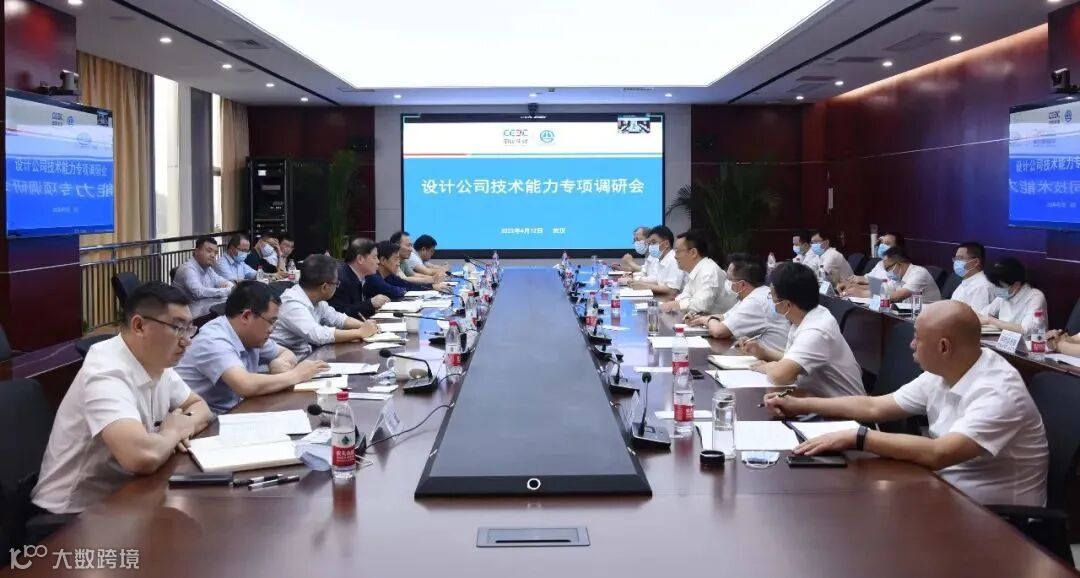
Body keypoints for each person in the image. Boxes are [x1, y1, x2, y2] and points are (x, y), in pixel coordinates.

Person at [765, 301, 1048, 507]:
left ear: (944, 347)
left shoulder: (998, 391)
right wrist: (801, 405)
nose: (911, 345)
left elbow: (939, 453)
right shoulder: (946, 369)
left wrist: (859, 437)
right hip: (945, 491)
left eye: (917, 338)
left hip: (998, 520)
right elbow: (875, 408)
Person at [31, 283, 213, 514]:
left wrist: (179, 425)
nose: (187, 341)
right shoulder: (105, 371)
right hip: (72, 514)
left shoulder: (156, 360)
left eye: (189, 329)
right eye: (178, 328)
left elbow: (200, 406)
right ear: (139, 326)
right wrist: (174, 430)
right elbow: (142, 457)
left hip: (128, 495)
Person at [175, 281, 329, 414]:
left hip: (234, 412)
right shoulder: (214, 339)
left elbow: (285, 352)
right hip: (202, 424)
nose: (272, 329)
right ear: (246, 316)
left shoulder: (251, 336)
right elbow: (245, 385)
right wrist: (296, 374)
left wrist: (278, 363)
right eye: (271, 321)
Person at [742, 262, 865, 397]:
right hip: (821, 401)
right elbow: (795, 359)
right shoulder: (808, 315)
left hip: (845, 408)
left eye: (772, 297)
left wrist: (768, 367)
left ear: (787, 304)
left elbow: (779, 376)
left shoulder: (816, 331)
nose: (772, 301)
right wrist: (763, 352)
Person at [270, 254, 379, 356]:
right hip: (287, 361)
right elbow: (318, 335)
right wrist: (359, 332)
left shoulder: (317, 300)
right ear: (324, 287)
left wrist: (365, 326)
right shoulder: (292, 303)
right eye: (336, 283)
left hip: (307, 356)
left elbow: (337, 318)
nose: (337, 286)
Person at [687, 255, 789, 351]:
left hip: (773, 359)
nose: (726, 283)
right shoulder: (755, 294)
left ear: (742, 284)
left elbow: (719, 331)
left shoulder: (755, 301)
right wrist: (698, 319)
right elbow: (725, 317)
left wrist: (708, 320)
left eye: (729, 279)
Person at [661, 229, 736, 315]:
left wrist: (675, 304)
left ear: (693, 252)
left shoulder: (709, 271)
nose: (675, 257)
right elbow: (684, 296)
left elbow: (702, 305)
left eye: (677, 252)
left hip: (722, 321)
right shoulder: (696, 270)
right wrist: (673, 304)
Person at [842, 246, 941, 303]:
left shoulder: (919, 273)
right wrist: (855, 287)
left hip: (930, 319)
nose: (887, 272)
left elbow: (897, 296)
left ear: (899, 264)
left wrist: (861, 293)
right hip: (909, 316)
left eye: (888, 268)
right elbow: (883, 289)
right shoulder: (898, 276)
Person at [979, 257, 1048, 334]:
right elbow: (982, 314)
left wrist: (991, 320)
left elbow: (1026, 329)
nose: (996, 289)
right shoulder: (1004, 295)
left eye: (1000, 286)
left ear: (1016, 284)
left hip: (1030, 340)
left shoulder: (1035, 297)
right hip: (1004, 339)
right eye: (995, 286)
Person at [328, 237, 391, 319]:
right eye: (375, 257)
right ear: (360, 259)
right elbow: (339, 314)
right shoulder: (341, 279)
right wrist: (370, 303)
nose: (378, 261)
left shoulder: (364, 277)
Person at [364, 240, 448, 301]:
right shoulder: (373, 277)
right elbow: (395, 291)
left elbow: (407, 285)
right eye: (396, 259)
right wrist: (404, 289)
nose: (398, 263)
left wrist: (432, 287)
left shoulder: (389, 276)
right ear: (383, 260)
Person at [627, 225, 685, 296]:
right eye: (650, 243)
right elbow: (659, 283)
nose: (651, 246)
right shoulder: (661, 259)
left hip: (672, 300)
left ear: (666, 244)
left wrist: (644, 285)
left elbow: (672, 291)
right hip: (663, 297)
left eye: (654, 242)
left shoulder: (674, 260)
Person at [172, 236, 232, 300]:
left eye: (215, 253)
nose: (213, 255)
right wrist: (225, 291)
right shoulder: (188, 269)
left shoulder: (208, 269)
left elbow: (221, 281)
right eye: (209, 251)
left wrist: (229, 286)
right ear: (196, 251)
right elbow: (199, 292)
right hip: (185, 306)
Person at [949, 241, 995, 312]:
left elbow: (977, 316)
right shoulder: (966, 282)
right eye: (955, 259)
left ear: (976, 262)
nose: (956, 262)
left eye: (960, 258)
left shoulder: (981, 286)